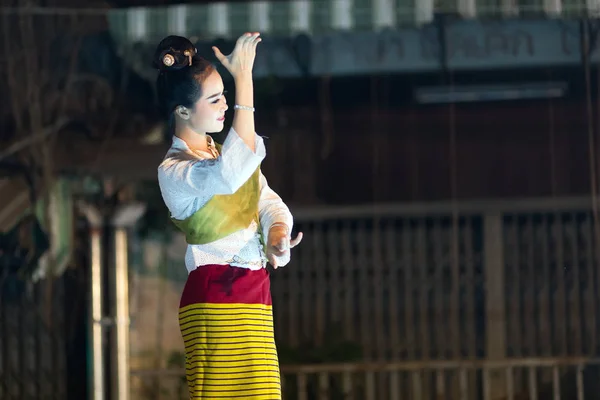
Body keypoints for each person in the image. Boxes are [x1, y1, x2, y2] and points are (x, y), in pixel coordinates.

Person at [155, 33, 303, 399]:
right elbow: (230, 175)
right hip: (214, 299)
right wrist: (244, 81)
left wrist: (277, 234)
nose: (225, 106)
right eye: (216, 99)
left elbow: (268, 202)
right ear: (183, 111)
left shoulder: (222, 153)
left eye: (226, 96)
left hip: (255, 291)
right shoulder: (175, 170)